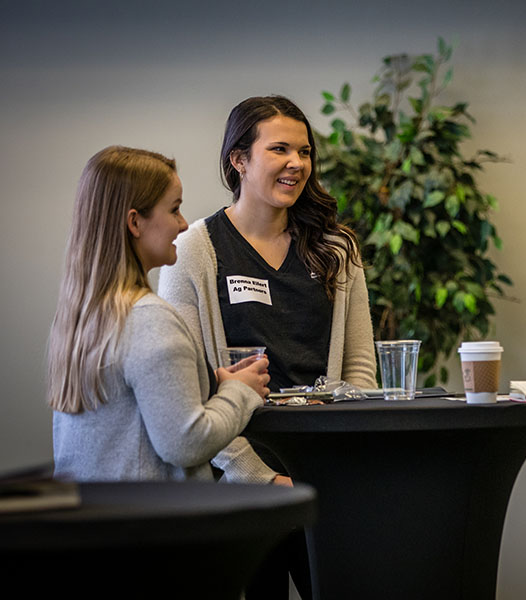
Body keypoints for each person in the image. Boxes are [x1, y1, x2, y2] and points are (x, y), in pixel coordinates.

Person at [159, 95, 376, 598]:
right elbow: (190, 389)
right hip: (235, 477)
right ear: (239, 159)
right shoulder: (194, 249)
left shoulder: (336, 248)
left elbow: (360, 365)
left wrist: (348, 457)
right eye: (280, 149)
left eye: (304, 152)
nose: (297, 164)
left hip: (325, 472)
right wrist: (259, 478)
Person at [50, 146, 269, 482]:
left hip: (97, 524)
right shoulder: (149, 319)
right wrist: (241, 392)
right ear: (135, 222)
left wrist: (213, 385)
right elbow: (185, 443)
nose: (183, 224)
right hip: (154, 527)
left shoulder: (84, 317)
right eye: (175, 209)